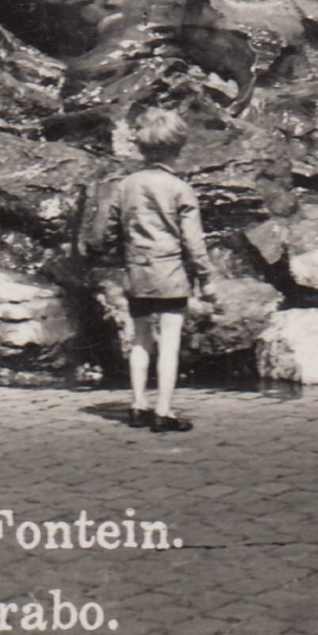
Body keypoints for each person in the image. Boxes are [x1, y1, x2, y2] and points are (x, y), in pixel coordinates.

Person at [93, 108, 218, 432]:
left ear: (141, 146)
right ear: (178, 148)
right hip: (171, 276)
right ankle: (164, 411)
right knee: (170, 343)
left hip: (136, 272)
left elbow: (108, 231)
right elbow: (193, 242)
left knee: (140, 339)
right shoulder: (180, 188)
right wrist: (206, 279)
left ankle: (137, 405)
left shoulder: (125, 185)